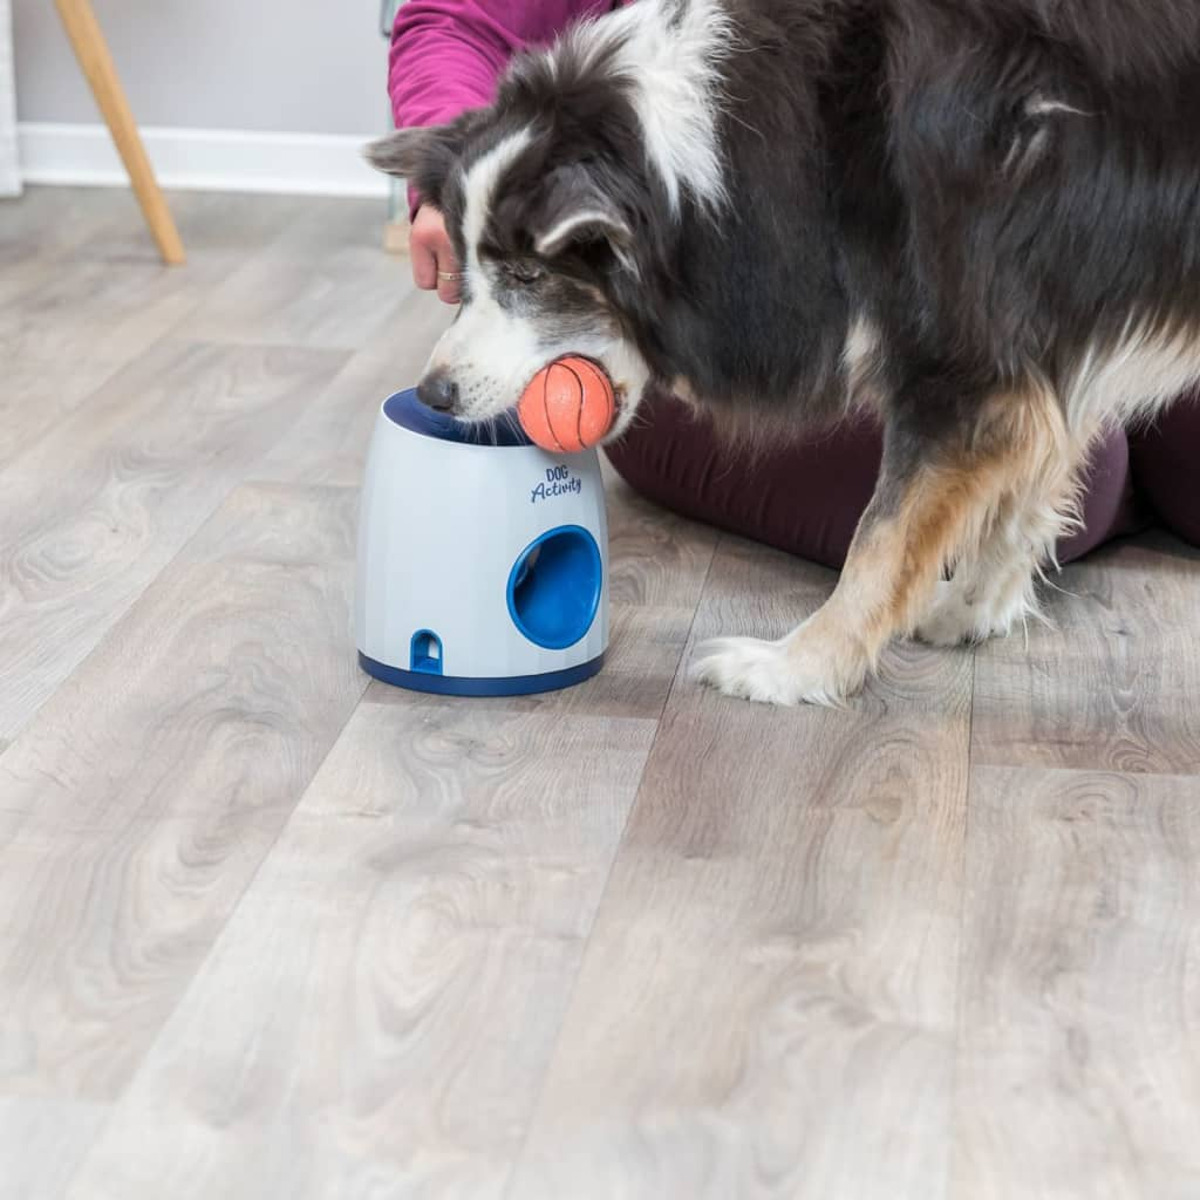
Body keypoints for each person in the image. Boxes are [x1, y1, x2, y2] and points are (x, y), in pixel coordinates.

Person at [386, 1, 1198, 556]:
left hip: (1047, 225)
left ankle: (1105, 407)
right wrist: (477, 190)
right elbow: (457, 21)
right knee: (1065, 486)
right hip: (706, 315)